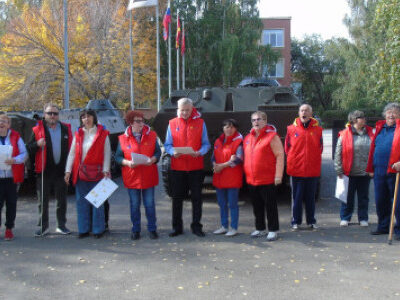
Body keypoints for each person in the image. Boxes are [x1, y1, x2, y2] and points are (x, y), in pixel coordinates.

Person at [164, 98, 211, 237]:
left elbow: (206, 144)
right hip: (177, 167)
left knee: (197, 199)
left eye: (187, 110)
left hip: (195, 167)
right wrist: (173, 152)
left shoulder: (200, 123)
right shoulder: (172, 123)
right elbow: (167, 144)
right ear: (178, 109)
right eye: (182, 110)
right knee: (177, 199)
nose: (184, 113)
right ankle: (177, 227)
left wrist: (200, 152)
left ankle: (196, 226)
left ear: (192, 109)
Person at [27, 104, 72, 237]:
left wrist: (70, 169)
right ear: (44, 114)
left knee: (61, 199)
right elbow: (29, 148)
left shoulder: (65, 128)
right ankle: (43, 226)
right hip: (44, 170)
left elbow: (72, 148)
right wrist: (37, 144)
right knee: (43, 201)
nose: (52, 116)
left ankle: (61, 225)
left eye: (55, 113)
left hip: (61, 170)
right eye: (49, 113)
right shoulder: (37, 129)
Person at [64, 109, 111, 239]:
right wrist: (68, 171)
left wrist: (106, 170)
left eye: (89, 116)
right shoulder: (78, 134)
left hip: (98, 173)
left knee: (98, 203)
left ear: (94, 118)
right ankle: (83, 229)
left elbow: (107, 153)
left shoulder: (103, 134)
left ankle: (98, 229)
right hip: (81, 174)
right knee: (82, 202)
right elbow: (72, 153)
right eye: (83, 117)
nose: (86, 119)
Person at [115, 111, 161, 240]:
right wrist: (127, 163)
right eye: (138, 121)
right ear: (130, 122)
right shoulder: (122, 138)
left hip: (148, 176)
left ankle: (152, 229)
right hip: (132, 176)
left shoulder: (151, 135)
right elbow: (117, 157)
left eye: (142, 120)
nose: (141, 123)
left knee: (149, 204)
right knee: (134, 205)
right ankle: (135, 229)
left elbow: (158, 153)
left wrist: (153, 159)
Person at [243, 111, 284, 241]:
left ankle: (273, 230)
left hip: (267, 179)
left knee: (270, 206)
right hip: (252, 179)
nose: (256, 122)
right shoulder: (247, 138)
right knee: (257, 206)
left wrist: (278, 175)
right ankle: (260, 228)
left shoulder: (272, 137)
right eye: (253, 120)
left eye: (259, 119)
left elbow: (280, 156)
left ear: (265, 121)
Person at [285, 104, 323, 230]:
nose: (304, 112)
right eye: (302, 110)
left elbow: (320, 148)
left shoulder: (318, 130)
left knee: (310, 198)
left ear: (311, 114)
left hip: (312, 170)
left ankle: (311, 221)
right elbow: (287, 148)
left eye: (306, 110)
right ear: (298, 113)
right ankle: (295, 221)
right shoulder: (291, 129)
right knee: (296, 198)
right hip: (296, 170)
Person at [366, 102, 400, 239]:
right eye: (389, 112)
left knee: (398, 203)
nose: (391, 114)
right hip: (379, 170)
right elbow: (373, 149)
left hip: (395, 172)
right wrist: (371, 168)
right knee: (381, 200)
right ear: (385, 115)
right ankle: (383, 226)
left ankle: (398, 230)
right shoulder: (380, 128)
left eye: (395, 112)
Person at [334, 110, 373, 227]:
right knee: (346, 197)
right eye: (362, 117)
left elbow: (374, 152)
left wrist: (372, 169)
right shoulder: (344, 134)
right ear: (355, 119)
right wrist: (338, 169)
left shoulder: (370, 133)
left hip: (365, 173)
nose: (365, 119)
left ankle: (363, 218)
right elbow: (338, 153)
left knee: (364, 197)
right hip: (348, 172)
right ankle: (345, 217)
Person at [212, 119, 243, 237]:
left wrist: (222, 166)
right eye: (226, 127)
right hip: (219, 177)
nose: (228, 129)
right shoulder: (218, 141)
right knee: (222, 204)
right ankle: (224, 226)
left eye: (231, 127)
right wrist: (215, 165)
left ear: (235, 128)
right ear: (223, 128)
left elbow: (239, 159)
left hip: (232, 179)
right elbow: (213, 157)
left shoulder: (239, 141)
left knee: (233, 204)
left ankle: (234, 227)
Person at [0, 112, 27, 240]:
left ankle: (9, 228)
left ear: (9, 124)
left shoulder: (16, 137)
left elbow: (24, 154)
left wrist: (14, 160)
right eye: (0, 121)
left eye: (4, 121)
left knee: (11, 204)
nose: (1, 123)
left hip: (11, 178)